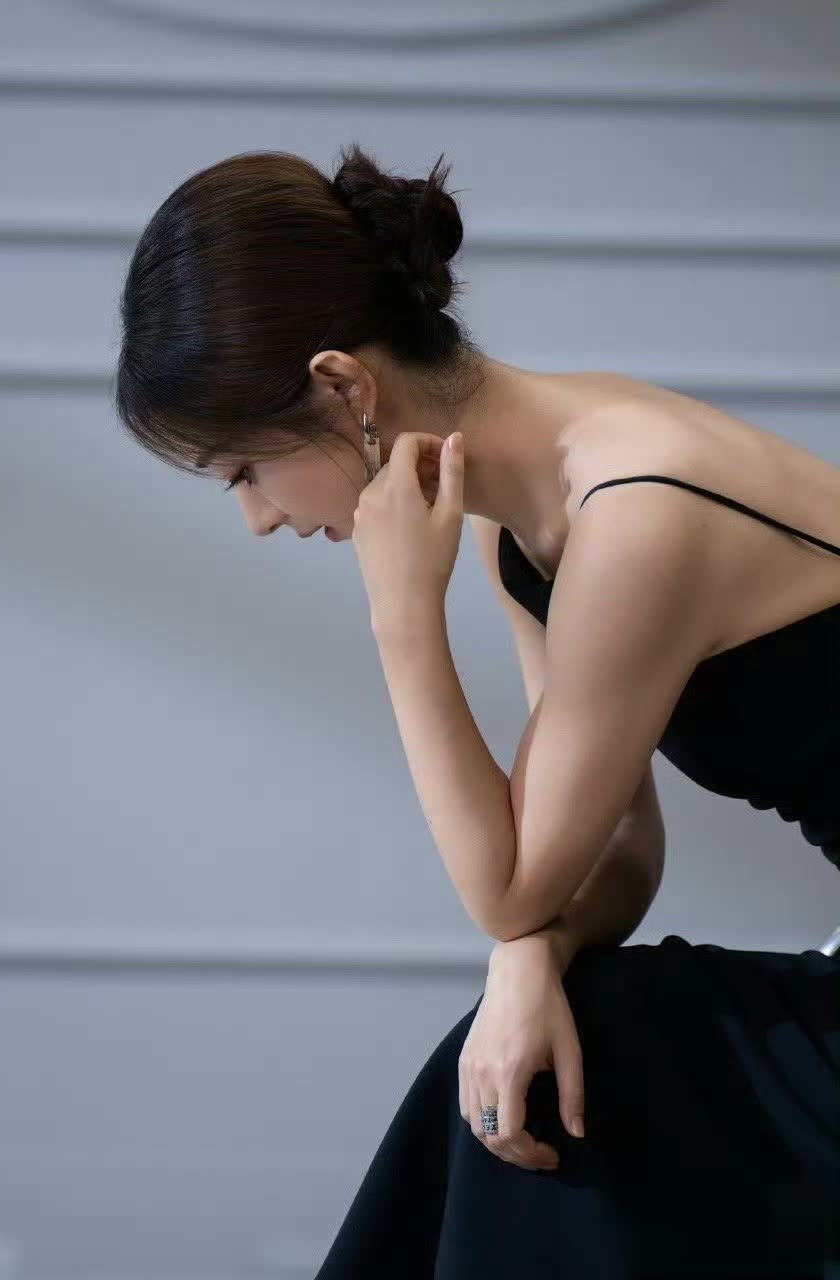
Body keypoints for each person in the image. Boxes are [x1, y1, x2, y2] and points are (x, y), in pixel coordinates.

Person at [112, 142, 840, 1278]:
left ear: (344, 385)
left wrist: (404, 616)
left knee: (570, 1086)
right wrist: (528, 960)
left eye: (243, 470)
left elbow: (509, 883)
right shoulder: (529, 518)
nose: (257, 518)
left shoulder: (637, 508)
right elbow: (612, 847)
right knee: (545, 1059)